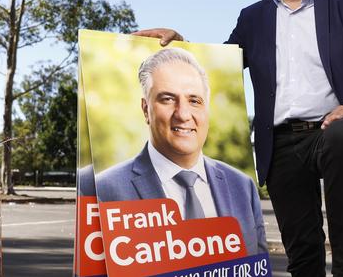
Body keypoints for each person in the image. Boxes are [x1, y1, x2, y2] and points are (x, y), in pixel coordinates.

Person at [132, 0, 343, 277]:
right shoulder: (253, 18)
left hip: (332, 129)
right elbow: (221, 66)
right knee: (303, 258)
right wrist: (181, 43)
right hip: (281, 142)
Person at [94, 48, 267, 256]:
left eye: (194, 101)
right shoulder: (104, 190)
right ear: (145, 109)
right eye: (167, 99)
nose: (183, 114)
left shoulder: (243, 186)